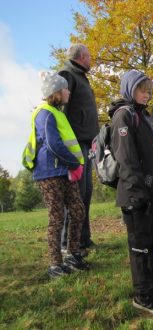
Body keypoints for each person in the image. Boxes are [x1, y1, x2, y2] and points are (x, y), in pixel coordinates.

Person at [109, 70, 153, 315]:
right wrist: (138, 192)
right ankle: (143, 295)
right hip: (135, 195)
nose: (147, 94)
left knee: (152, 243)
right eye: (142, 89)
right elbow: (126, 160)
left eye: (149, 90)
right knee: (140, 247)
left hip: (152, 192)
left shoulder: (144, 116)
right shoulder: (124, 116)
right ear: (130, 89)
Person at [22, 72, 90, 279]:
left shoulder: (56, 112)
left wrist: (72, 165)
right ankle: (55, 265)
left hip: (64, 170)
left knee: (78, 210)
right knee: (57, 217)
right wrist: (74, 163)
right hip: (49, 172)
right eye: (65, 88)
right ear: (56, 93)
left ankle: (73, 254)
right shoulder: (44, 113)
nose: (69, 91)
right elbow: (53, 144)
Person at [59, 44, 99, 252]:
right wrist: (66, 146)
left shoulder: (81, 75)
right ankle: (67, 242)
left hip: (87, 142)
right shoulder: (67, 74)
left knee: (87, 192)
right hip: (75, 143)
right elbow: (61, 109)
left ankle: (84, 238)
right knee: (76, 194)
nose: (91, 59)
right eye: (89, 55)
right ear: (82, 56)